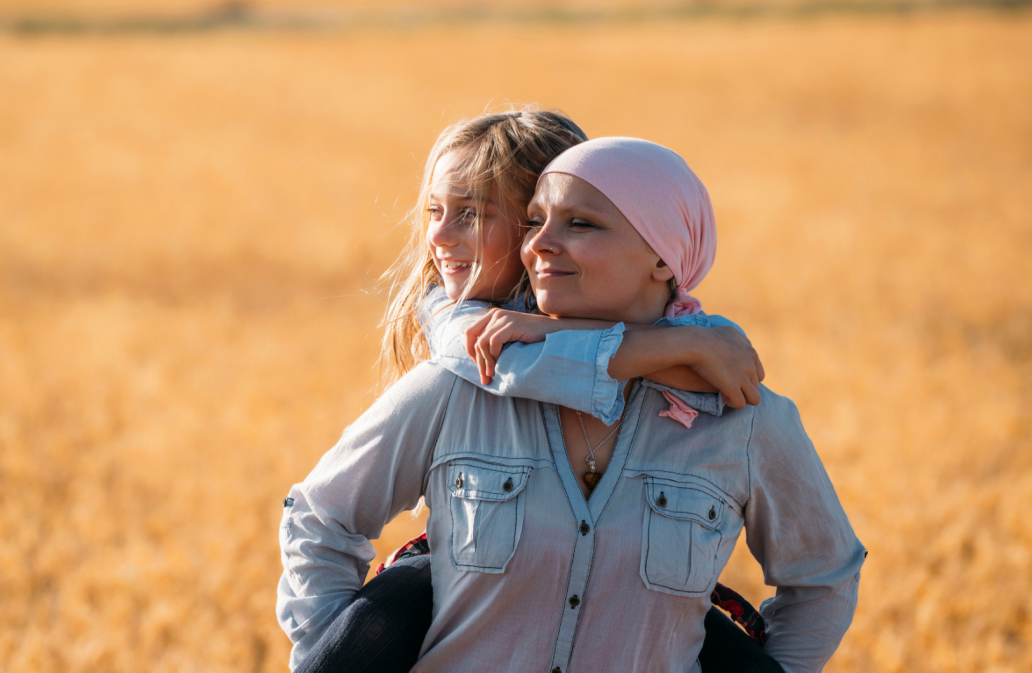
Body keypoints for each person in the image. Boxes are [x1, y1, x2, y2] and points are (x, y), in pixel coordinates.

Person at [281, 132, 865, 671]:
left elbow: (822, 578)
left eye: (581, 224)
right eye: (535, 221)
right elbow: (319, 517)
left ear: (664, 257)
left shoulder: (743, 418)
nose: (539, 245)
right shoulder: (462, 384)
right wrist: (335, 652)